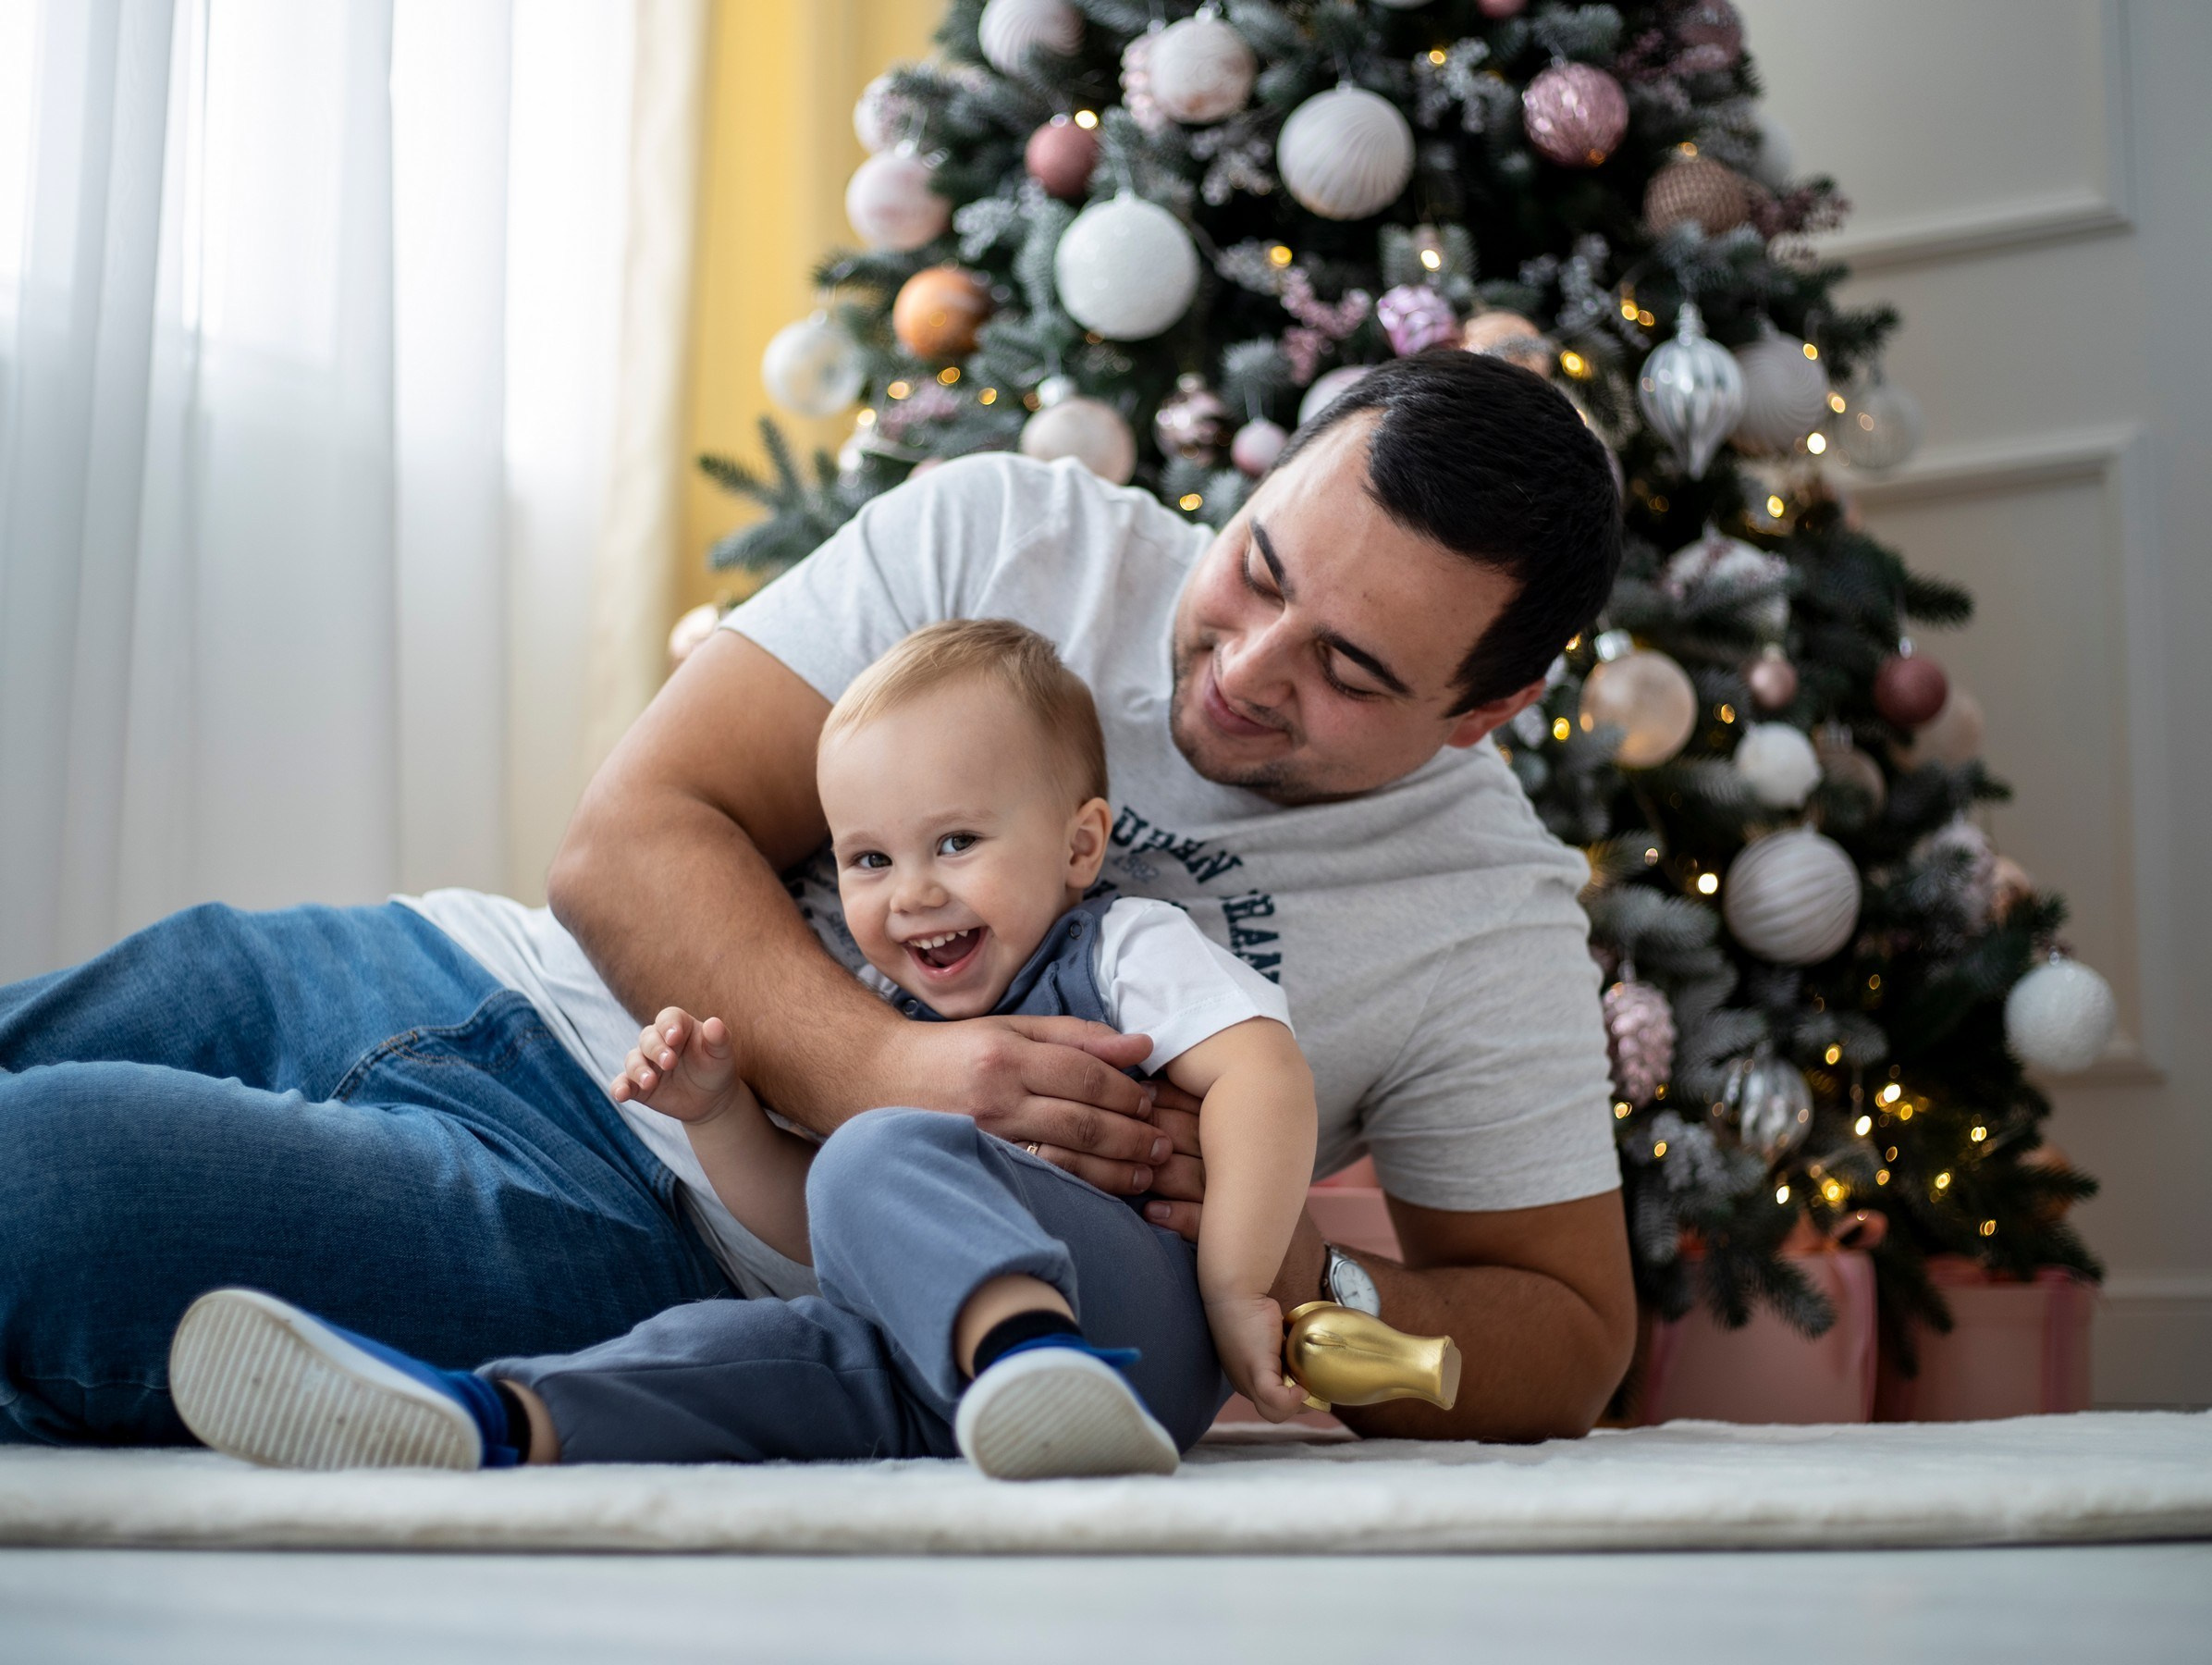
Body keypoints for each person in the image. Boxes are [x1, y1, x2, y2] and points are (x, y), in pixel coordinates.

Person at [0, 350, 1634, 1449]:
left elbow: (1572, 1332)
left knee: (45, 1184)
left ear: (1479, 713)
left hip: (652, 1221)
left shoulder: (1479, 912)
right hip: (452, 969)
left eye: (1352, 671)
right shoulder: (1013, 536)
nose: (1247, 670)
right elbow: (627, 844)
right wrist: (897, 1074)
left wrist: (1277, 1275)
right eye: (1260, 570)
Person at [167, 620, 1317, 1477]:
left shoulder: (1117, 943)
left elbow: (1262, 1072)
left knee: (875, 1151)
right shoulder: (883, 1008)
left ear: (1078, 845)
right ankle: (489, 1421)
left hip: (1139, 1333)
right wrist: (719, 1115)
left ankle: (1030, 1364)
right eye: (867, 861)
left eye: (955, 843)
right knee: (738, 1348)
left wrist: (1232, 1286)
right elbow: (818, 1227)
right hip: (938, 1374)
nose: (911, 895)